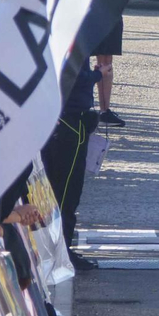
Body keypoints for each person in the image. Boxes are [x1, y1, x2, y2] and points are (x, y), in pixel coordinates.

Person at [41, 61, 101, 272]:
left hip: (65, 119)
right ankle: (60, 251)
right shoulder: (71, 38)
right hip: (67, 121)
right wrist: (97, 75)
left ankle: (60, 248)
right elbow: (70, 75)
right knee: (66, 193)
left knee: (64, 192)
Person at [93, 15, 125, 127]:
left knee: (107, 60)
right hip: (98, 11)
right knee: (103, 60)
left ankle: (105, 111)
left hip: (112, 11)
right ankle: (103, 110)